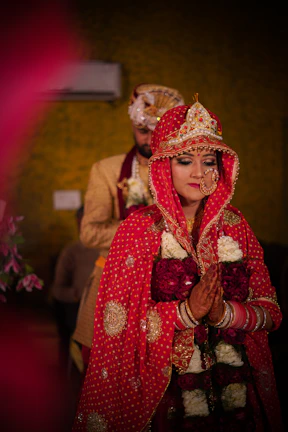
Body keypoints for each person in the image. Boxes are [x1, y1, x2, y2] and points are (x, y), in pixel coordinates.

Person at [72, 95, 284, 431]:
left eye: (209, 161)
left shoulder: (236, 225)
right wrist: (187, 312)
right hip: (164, 396)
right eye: (184, 160)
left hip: (235, 392)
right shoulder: (139, 229)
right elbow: (122, 331)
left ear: (222, 167)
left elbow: (271, 311)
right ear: (164, 167)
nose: (199, 173)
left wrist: (225, 314)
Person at [72, 83, 185, 368]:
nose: (150, 139)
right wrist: (146, 230)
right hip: (112, 284)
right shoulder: (107, 170)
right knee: (104, 368)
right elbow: (89, 232)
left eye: (158, 132)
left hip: (172, 289)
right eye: (143, 131)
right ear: (132, 126)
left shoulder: (186, 170)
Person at [50, 205, 100, 371]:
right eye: (83, 221)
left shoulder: (111, 248)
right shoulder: (72, 252)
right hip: (79, 309)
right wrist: (78, 295)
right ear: (78, 223)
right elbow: (57, 290)